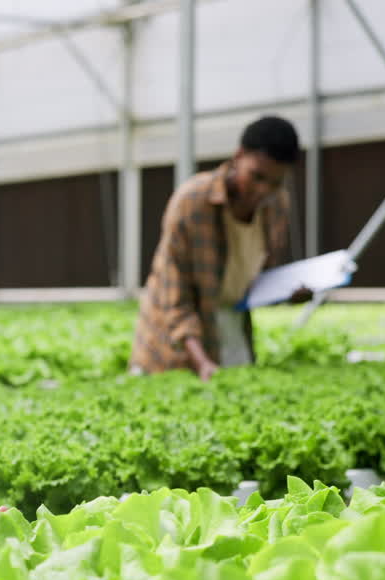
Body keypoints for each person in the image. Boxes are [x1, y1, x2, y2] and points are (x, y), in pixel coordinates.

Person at [131, 115, 311, 381]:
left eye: (275, 182)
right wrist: (201, 361)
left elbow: (255, 278)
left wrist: (286, 293)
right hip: (173, 344)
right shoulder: (192, 201)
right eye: (257, 176)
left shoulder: (276, 205)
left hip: (231, 329)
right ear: (238, 156)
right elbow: (175, 296)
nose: (263, 190)